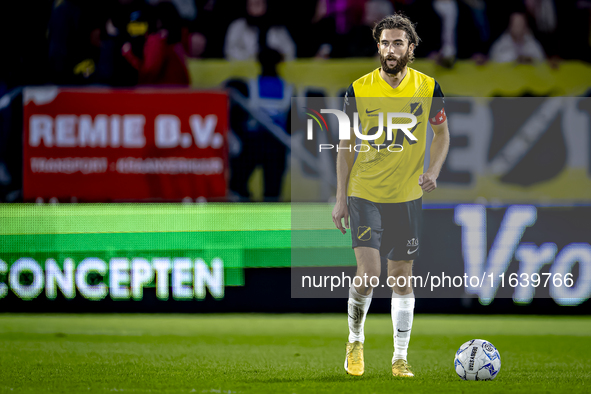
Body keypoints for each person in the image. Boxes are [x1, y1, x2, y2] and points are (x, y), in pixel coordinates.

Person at [331, 13, 450, 377]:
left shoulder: (428, 87)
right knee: (368, 272)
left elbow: (443, 136)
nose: (391, 49)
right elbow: (346, 146)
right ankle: (355, 341)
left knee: (402, 276)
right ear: (378, 47)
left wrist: (432, 171)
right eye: (385, 42)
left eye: (398, 42)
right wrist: (340, 197)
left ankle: (400, 358)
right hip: (365, 193)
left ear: (410, 48)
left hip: (407, 197)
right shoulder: (358, 89)